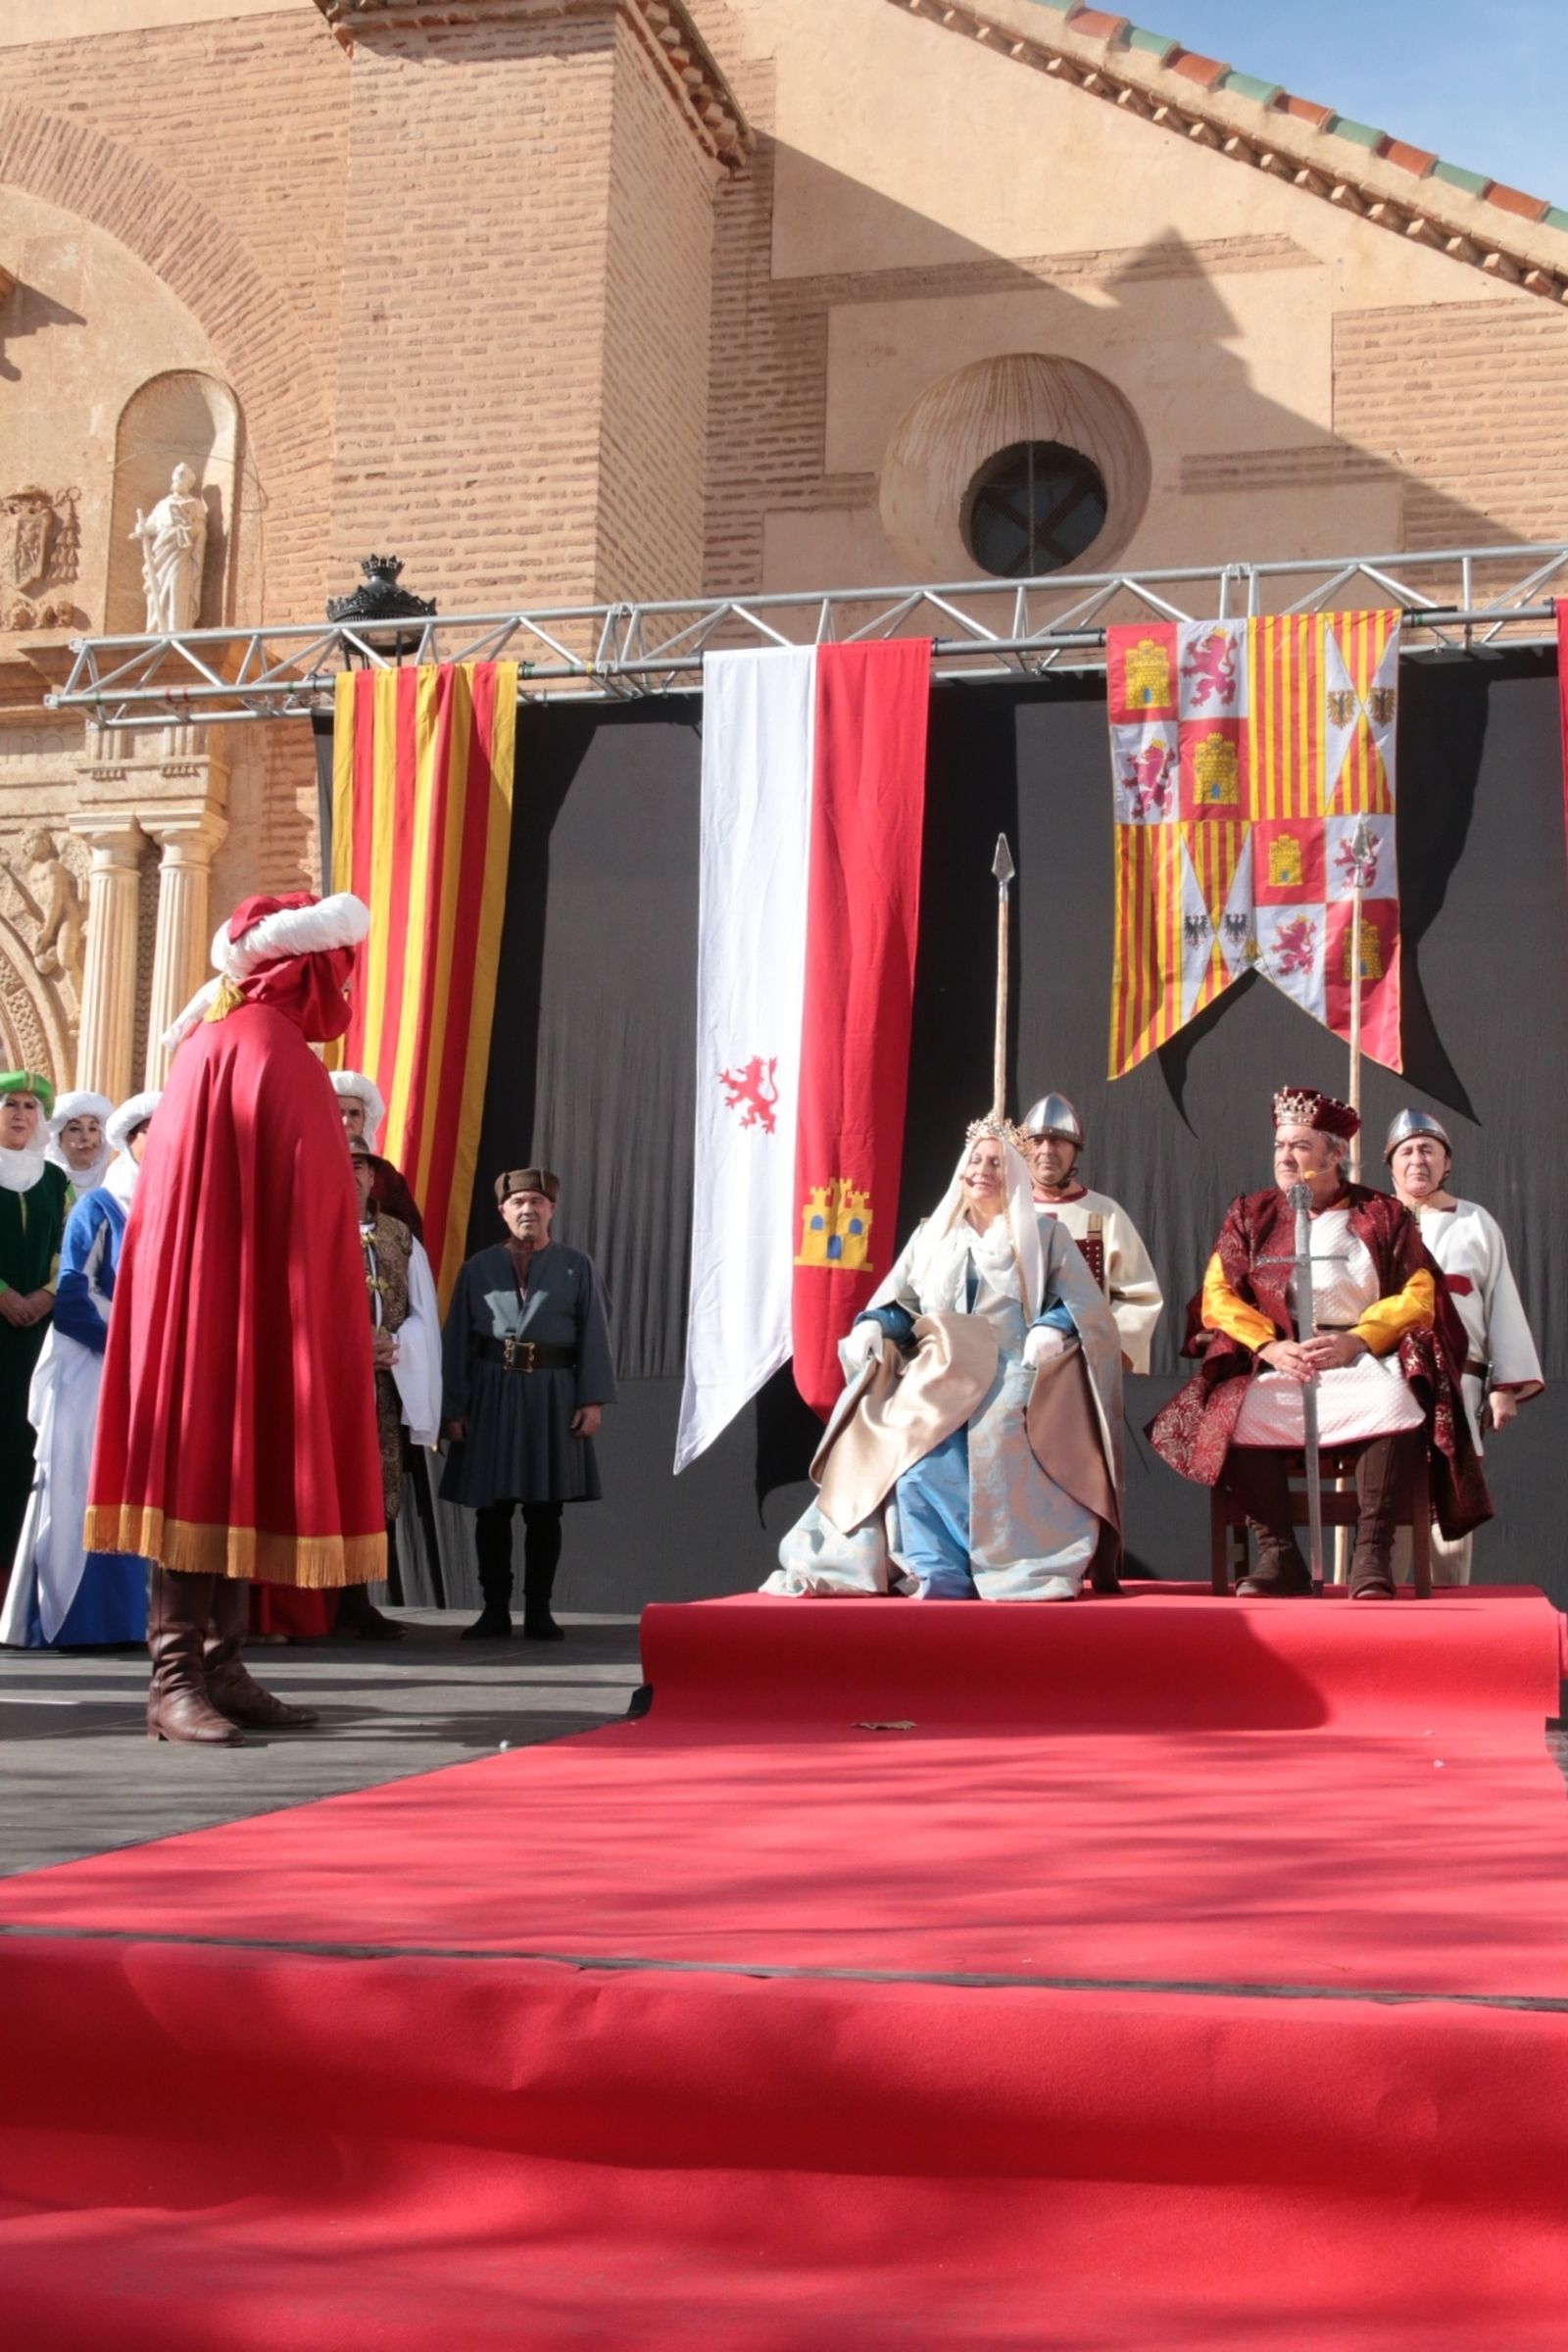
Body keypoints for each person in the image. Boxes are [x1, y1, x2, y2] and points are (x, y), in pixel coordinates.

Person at [84, 890, 385, 1743]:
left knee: (235, 1468)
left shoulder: (247, 1045)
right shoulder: (249, 1047)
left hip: (246, 1304)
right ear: (298, 970)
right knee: (200, 1466)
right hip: (218, 1308)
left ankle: (220, 1662)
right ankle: (174, 1674)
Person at [765, 1117, 1124, 1602]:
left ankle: (1006, 1563)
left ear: (1014, 1172)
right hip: (938, 1363)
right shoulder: (932, 1236)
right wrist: (875, 1323)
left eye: (996, 1162)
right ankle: (938, 1572)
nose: (983, 1170)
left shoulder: (1044, 1236)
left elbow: (1085, 1303)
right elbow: (902, 1303)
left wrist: (1051, 1325)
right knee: (911, 1447)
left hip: (1012, 1364)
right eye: (975, 1160)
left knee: (999, 1434)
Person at [1150, 1087, 1487, 1598]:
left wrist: (1359, 1340)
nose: (1286, 1157)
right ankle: (1280, 1556)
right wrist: (1267, 1346)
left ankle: (1370, 1557)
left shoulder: (1384, 1213)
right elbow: (1218, 1294)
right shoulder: (1251, 1213)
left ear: (1334, 1154)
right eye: (1280, 1146)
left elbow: (1420, 1294)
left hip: (1359, 1356)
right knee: (1236, 1406)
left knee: (1395, 1397)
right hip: (1283, 1358)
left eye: (1300, 1146)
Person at [1, 1092, 159, 1649]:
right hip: (91, 1374)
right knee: (79, 1491)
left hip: (146, 1377)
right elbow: (74, 1297)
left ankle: (135, 1620)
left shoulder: (171, 1208)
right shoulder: (99, 1207)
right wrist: (141, 1339)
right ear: (131, 1140)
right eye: (152, 1131)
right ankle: (71, 1620)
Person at [441, 1165, 615, 1641]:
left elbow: (596, 1337)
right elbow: (457, 1340)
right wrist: (453, 1408)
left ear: (552, 1210)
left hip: (552, 1397)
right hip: (491, 1396)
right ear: (503, 1211)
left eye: (537, 1202)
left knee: (545, 1509)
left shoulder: (575, 1266)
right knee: (491, 1510)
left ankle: (539, 1609)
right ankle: (493, 1609)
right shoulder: (478, 1269)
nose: (528, 1210)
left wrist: (592, 1400)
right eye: (518, 1203)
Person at [1385, 1106, 1543, 1585]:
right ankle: (1375, 1609)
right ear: (1389, 1163)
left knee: (1449, 1500)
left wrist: (1505, 1385)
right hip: (1386, 1383)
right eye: (1407, 1151)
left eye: (1428, 1150)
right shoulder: (1373, 1221)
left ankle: (1450, 1619)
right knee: (1383, 1497)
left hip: (1461, 1384)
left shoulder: (1476, 1222)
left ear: (1447, 1163)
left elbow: (1503, 1305)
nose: (1418, 1160)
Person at [1021, 1091, 1162, 1375]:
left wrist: (1100, 1351)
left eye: (1057, 1140)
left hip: (1083, 1370)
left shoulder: (1105, 1215)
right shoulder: (1006, 1214)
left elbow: (1140, 1299)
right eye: (1037, 1141)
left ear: (1075, 1150)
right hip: (1014, 1366)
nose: (1046, 1150)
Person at [0, 1071, 67, 1587]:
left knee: (27, 1446)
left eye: (29, 1106)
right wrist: (2, 1294)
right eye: (9, 1104)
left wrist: (44, 1295)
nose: (20, 1113)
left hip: (35, 1337)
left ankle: (18, 1586)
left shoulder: (54, 1181)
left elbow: (68, 1248)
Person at [330, 1069, 423, 1240]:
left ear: (366, 1120)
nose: (346, 1122)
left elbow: (411, 1237)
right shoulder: (309, 1168)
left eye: (354, 1114)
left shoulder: (385, 1175)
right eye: (339, 1112)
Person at [46, 1090, 114, 1201]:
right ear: (58, 1137)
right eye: (75, 1129)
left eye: (92, 1129)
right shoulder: (45, 1179)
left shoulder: (113, 1180)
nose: (86, 1137)